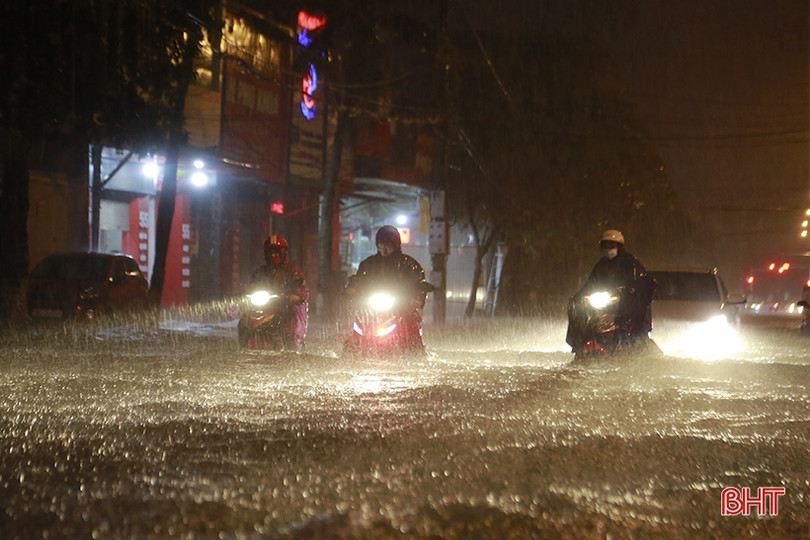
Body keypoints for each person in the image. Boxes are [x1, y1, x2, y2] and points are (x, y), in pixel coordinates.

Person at [566, 229, 655, 350]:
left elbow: (642, 285)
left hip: (628, 304)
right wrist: (577, 298)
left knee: (634, 321)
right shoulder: (601, 265)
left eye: (610, 245)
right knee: (579, 308)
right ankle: (580, 341)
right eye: (604, 245)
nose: (607, 249)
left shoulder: (630, 263)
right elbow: (590, 284)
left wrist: (629, 292)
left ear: (619, 246)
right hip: (610, 301)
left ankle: (636, 341)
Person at [345, 225, 430, 346]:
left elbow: (420, 283)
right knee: (359, 326)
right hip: (371, 307)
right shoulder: (368, 263)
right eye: (381, 244)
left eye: (389, 244)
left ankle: (415, 351)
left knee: (411, 328)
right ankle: (352, 349)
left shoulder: (409, 264)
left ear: (396, 245)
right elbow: (359, 278)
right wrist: (352, 287)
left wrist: (418, 297)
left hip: (401, 307)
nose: (384, 247)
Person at [243, 234, 309, 351]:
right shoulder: (260, 272)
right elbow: (249, 288)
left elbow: (301, 290)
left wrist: (292, 297)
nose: (274, 255)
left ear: (284, 253)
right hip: (266, 308)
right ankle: (245, 346)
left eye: (277, 252)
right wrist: (244, 295)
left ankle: (295, 347)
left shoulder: (293, 271)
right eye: (271, 252)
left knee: (292, 323)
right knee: (244, 321)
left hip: (286, 309)